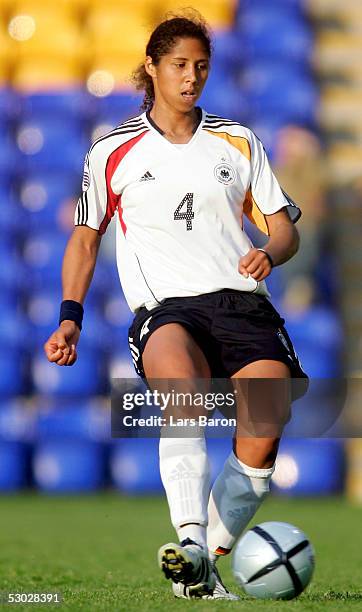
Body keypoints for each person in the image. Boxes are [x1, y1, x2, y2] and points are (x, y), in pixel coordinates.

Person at [44, 11, 308, 601]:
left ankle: (204, 563)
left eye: (202, 67)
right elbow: (86, 237)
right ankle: (189, 539)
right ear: (153, 68)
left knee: (265, 427)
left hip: (242, 305)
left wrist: (271, 251)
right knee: (180, 392)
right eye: (180, 65)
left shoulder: (238, 142)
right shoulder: (111, 152)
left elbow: (284, 230)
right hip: (167, 310)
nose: (192, 77)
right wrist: (70, 317)